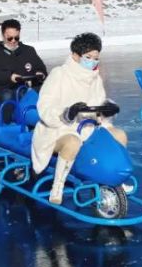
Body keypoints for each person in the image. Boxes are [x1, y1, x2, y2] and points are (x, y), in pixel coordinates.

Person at [31, 33, 125, 204]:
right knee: (72, 141)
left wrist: (108, 108)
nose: (93, 62)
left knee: (119, 135)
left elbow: (99, 104)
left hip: (87, 127)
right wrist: (68, 113)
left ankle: (116, 176)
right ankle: (57, 186)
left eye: (96, 58)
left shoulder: (94, 78)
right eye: (88, 57)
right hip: (58, 129)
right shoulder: (59, 74)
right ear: (75, 55)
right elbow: (44, 108)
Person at [0, 19, 47, 123]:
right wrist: (8, 77)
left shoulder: (28, 50)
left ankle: (42, 122)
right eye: (10, 38)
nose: (13, 41)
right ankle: (6, 124)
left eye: (16, 37)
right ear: (3, 36)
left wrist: (41, 73)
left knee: (43, 92)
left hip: (25, 88)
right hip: (3, 89)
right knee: (8, 95)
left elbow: (41, 69)